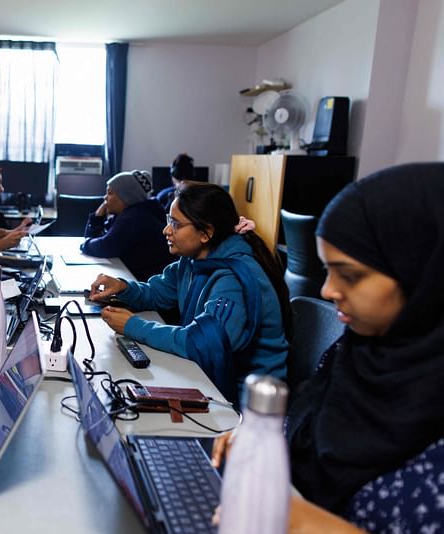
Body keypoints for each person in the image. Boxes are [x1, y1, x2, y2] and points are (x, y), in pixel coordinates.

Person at [212, 163, 444, 533]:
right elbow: (306, 428)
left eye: (349, 275)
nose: (327, 290)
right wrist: (260, 443)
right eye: (327, 270)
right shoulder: (358, 352)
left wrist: (304, 522)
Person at [89, 181, 290, 403]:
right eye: (169, 220)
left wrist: (132, 326)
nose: (166, 230)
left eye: (175, 224)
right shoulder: (194, 260)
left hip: (249, 399)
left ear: (206, 233)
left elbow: (203, 344)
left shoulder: (233, 278)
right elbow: (157, 294)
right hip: (210, 376)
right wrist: (125, 288)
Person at [80, 170, 174, 281]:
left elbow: (104, 247)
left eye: (110, 193)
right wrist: (97, 217)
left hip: (147, 284)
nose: (104, 198)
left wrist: (85, 244)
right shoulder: (128, 214)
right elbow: (97, 241)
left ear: (125, 197)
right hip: (138, 277)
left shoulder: (135, 217)